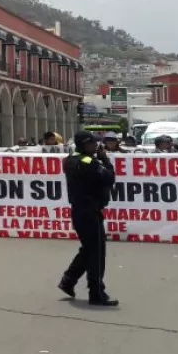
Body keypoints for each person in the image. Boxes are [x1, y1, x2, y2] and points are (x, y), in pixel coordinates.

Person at [58, 131, 118, 306]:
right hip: (90, 212)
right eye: (92, 144)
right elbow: (109, 177)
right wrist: (105, 159)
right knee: (97, 253)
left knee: (89, 250)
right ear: (84, 145)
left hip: (79, 211)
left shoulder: (69, 160)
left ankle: (68, 280)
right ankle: (96, 292)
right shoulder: (88, 162)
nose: (96, 147)